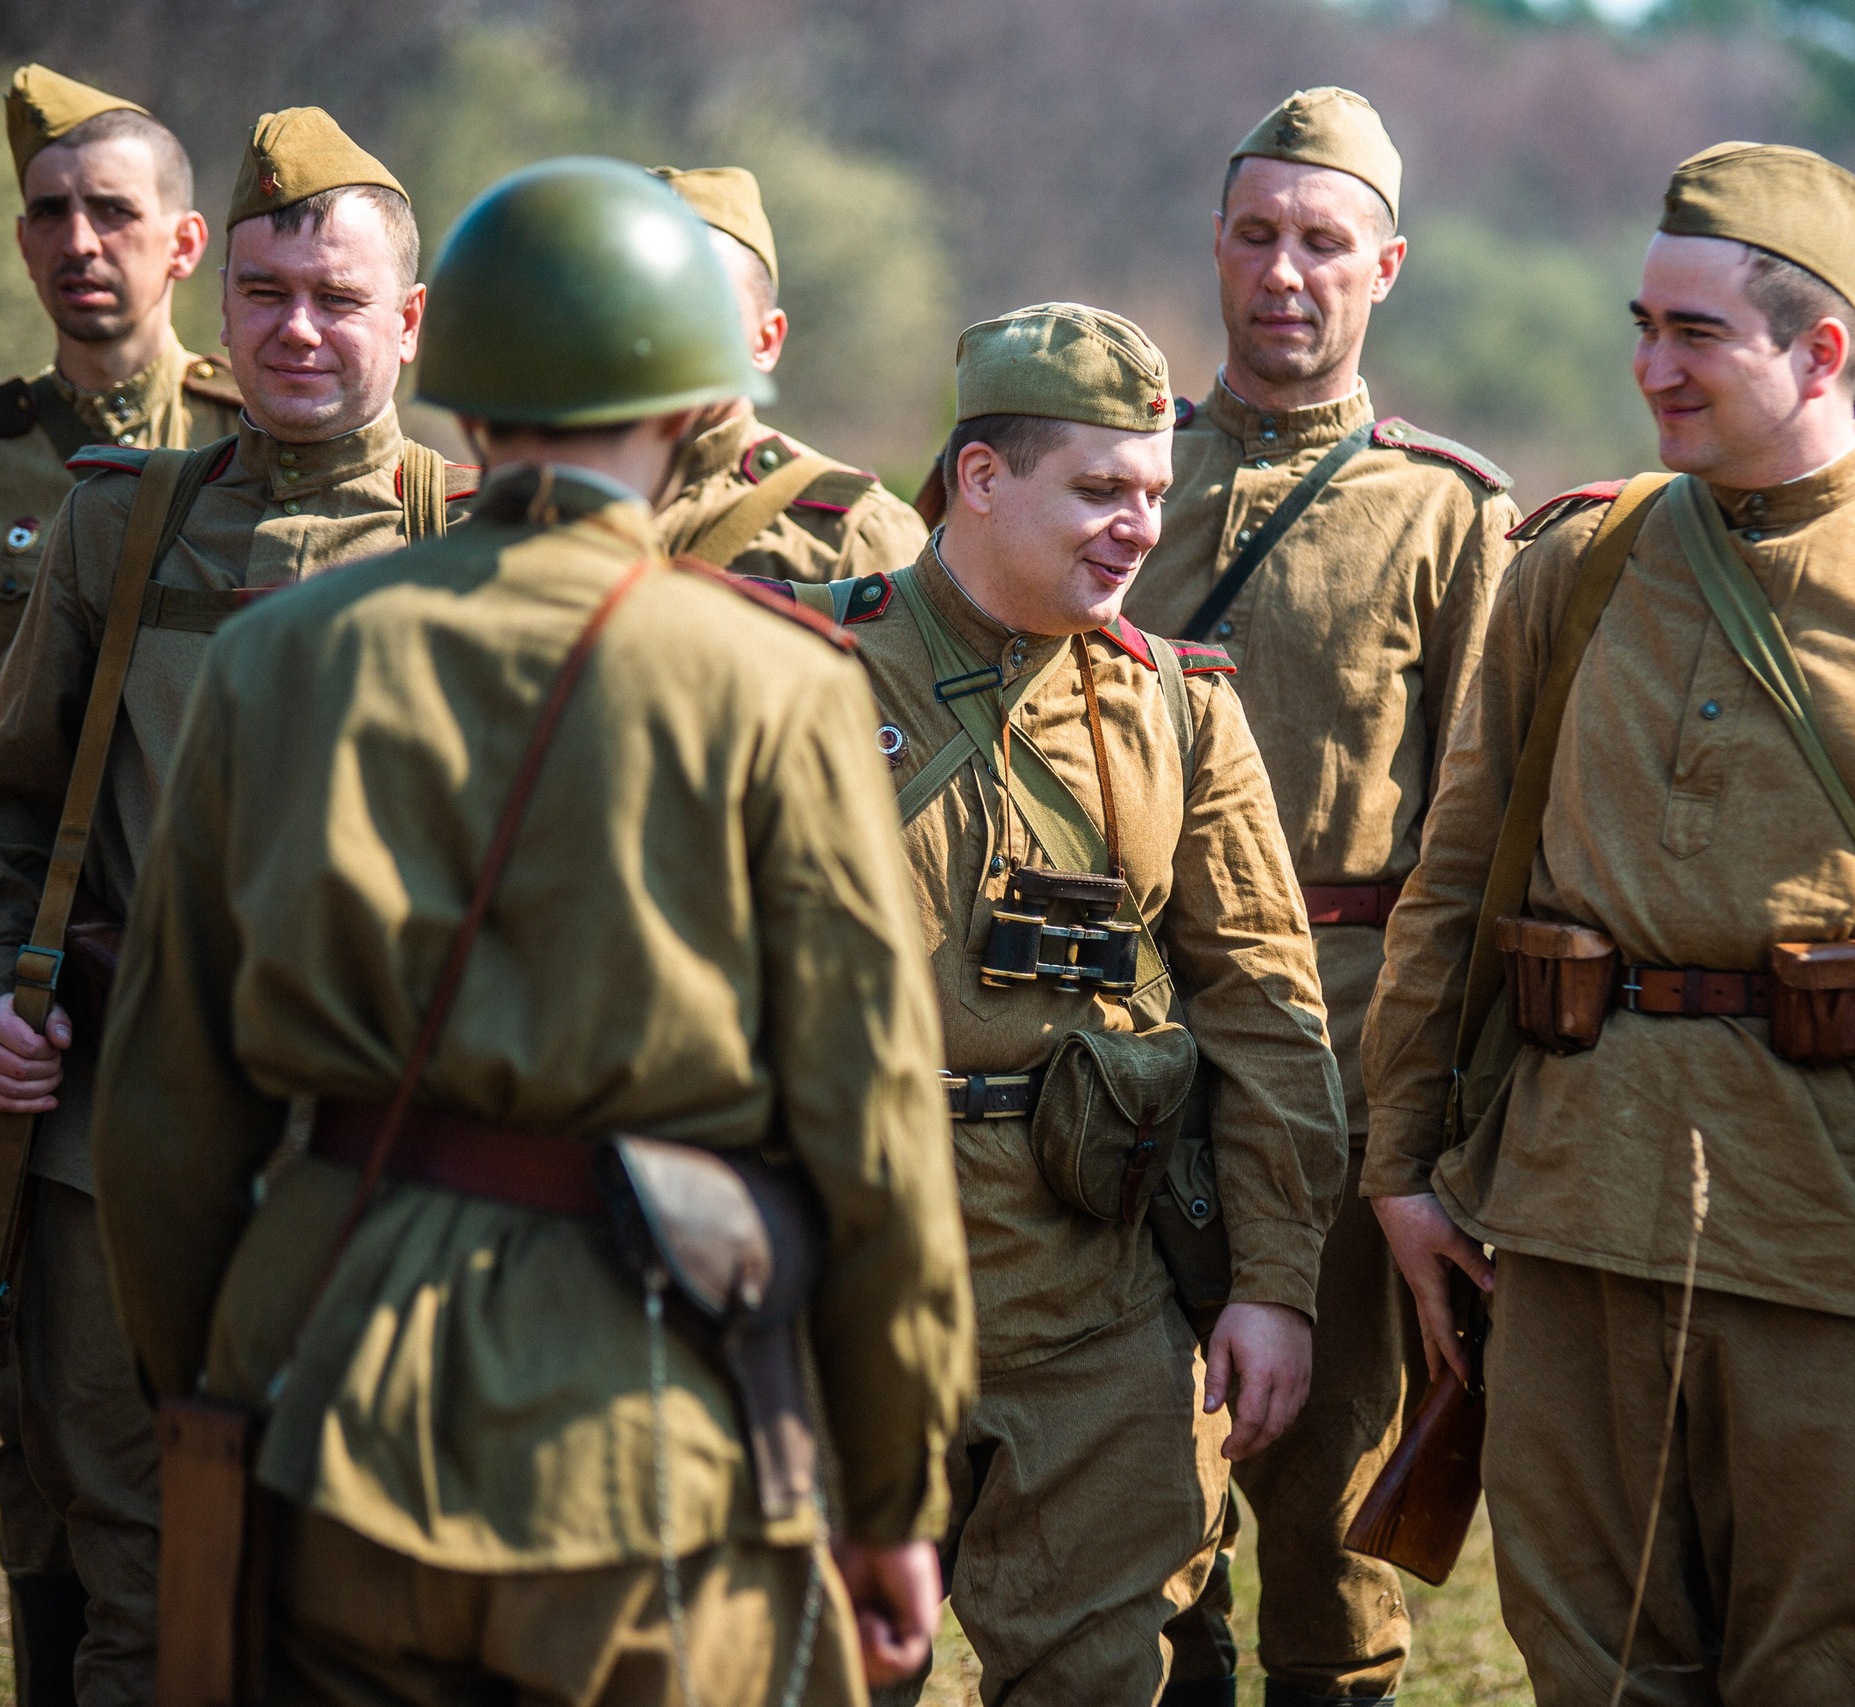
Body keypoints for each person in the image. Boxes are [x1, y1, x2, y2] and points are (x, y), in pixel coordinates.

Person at [88, 155, 971, 1705]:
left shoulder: (279, 656)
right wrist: (892, 1491)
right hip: (648, 1426)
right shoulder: (778, 684)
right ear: (698, 401)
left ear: (460, 380)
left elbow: (165, 1108)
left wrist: (210, 1396)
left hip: (321, 1378)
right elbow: (876, 1135)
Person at [1362, 142, 1855, 1701]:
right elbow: (1459, 881)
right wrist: (1401, 1170)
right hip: (1572, 1227)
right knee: (1591, 1663)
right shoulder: (1576, 565)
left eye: (1694, 336)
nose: (1650, 367)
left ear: (1823, 351)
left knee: (1839, 1668)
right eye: (1643, 324)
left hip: (1854, 1245)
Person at [0, 106, 469, 1707]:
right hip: (125, 1155)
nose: (296, 330)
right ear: (217, 298)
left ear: (411, 320)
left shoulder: (485, 542)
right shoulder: (125, 519)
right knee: (140, 1586)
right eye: (263, 293)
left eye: (339, 297)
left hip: (391, 1164)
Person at [822, 301, 1343, 1705]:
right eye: (1099, 490)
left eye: (1156, 495)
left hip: (1092, 1284)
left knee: (1103, 1677)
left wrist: (1275, 1283)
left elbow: (1268, 1008)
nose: (1137, 527)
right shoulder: (792, 671)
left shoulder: (1180, 708)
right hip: (839, 1279)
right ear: (980, 477)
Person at [1120, 87, 1517, 1707]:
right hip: (1113, 1046)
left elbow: (1481, 848)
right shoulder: (1117, 467)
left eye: (1326, 244)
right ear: (1217, 243)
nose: (1287, 274)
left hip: (1341, 1067)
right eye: (1260, 236)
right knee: (1124, 1496)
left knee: (1328, 1510)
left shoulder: (1448, 511)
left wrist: (1438, 1121)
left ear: (1388, 266)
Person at [0, 99, 237, 1644]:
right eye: (47, 213)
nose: (77, 244)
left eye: (111, 212)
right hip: (14, 1016)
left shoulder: (249, 440)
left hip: (193, 1011)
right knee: (37, 1409)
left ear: (182, 241)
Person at [649, 166, 929, 583]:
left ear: (766, 341)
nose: (664, 331)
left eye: (705, 307)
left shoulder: (850, 536)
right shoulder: (536, 496)